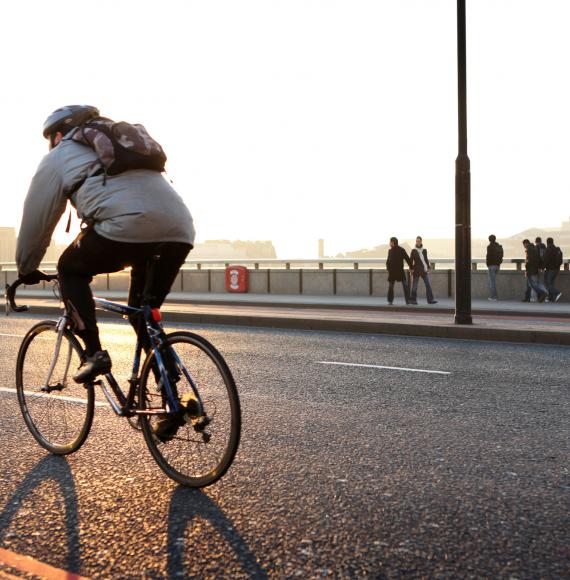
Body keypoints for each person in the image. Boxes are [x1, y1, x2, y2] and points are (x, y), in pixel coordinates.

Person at [16, 105, 195, 392]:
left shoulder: (60, 155)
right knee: (143, 312)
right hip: (180, 230)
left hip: (126, 228)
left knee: (69, 268)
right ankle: (172, 394)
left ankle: (93, 354)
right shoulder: (125, 143)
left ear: (57, 134)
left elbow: (37, 217)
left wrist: (25, 267)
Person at [409, 236, 437, 305]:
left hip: (424, 270)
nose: (418, 242)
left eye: (419, 241)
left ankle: (430, 300)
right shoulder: (413, 250)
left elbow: (426, 259)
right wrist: (411, 269)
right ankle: (413, 300)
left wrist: (428, 267)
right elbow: (410, 261)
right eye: (417, 241)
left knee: (428, 285)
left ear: (421, 241)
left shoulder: (424, 250)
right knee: (414, 286)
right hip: (416, 270)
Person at [386, 237, 411, 305]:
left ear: (393, 242)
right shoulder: (390, 251)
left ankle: (408, 301)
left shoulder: (401, 250)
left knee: (405, 286)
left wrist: (411, 267)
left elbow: (407, 259)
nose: (389, 243)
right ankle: (390, 301)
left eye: (390, 242)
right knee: (391, 287)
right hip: (392, 272)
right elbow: (388, 261)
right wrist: (388, 269)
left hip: (400, 271)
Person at [543, 237, 563, 303]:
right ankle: (551, 298)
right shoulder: (557, 249)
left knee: (547, 284)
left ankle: (557, 293)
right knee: (551, 283)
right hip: (556, 269)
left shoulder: (548, 249)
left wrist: (543, 267)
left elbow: (545, 260)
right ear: (553, 241)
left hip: (550, 269)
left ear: (547, 242)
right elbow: (560, 260)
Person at [485, 234, 503, 301]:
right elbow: (501, 255)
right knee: (493, 282)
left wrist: (488, 264)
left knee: (492, 282)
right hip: (497, 266)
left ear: (489, 240)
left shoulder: (489, 246)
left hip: (491, 265)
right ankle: (494, 296)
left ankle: (494, 297)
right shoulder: (499, 246)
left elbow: (488, 256)